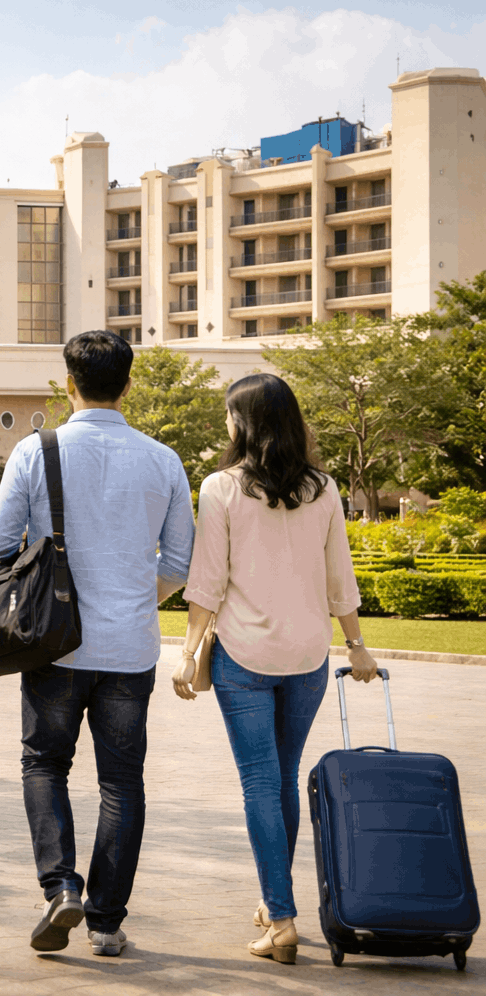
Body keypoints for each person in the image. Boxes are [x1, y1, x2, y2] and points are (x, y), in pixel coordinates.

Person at [0, 330, 195, 958]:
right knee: (122, 784)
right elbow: (179, 562)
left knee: (45, 764)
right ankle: (104, 923)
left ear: (68, 384)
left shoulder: (35, 450)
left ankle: (60, 887)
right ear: (127, 385)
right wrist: (135, 598)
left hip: (55, 645)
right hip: (130, 648)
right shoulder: (163, 459)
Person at [172, 373, 378, 965]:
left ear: (243, 423)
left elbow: (207, 581)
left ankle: (282, 919)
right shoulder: (324, 488)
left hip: (243, 656)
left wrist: (187, 653)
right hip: (308, 656)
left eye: (229, 413)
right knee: (283, 779)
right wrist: (357, 645)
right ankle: (274, 904)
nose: (225, 422)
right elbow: (340, 575)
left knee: (261, 784)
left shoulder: (221, 487)